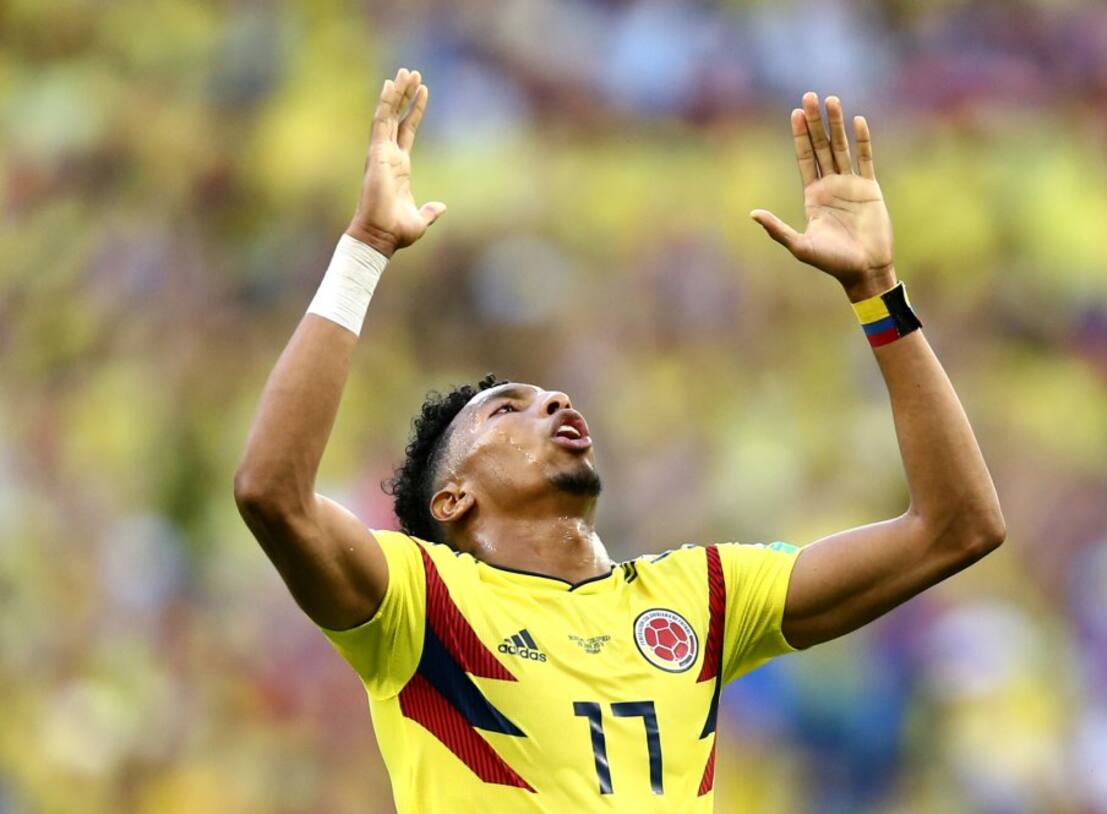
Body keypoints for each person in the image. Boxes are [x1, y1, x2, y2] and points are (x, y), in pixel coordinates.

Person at [233, 66, 1005, 813]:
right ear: (454, 497)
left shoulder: (702, 598)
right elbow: (274, 493)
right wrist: (366, 246)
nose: (555, 401)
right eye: (508, 410)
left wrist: (877, 292)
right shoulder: (422, 605)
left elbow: (957, 527)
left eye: (550, 396)